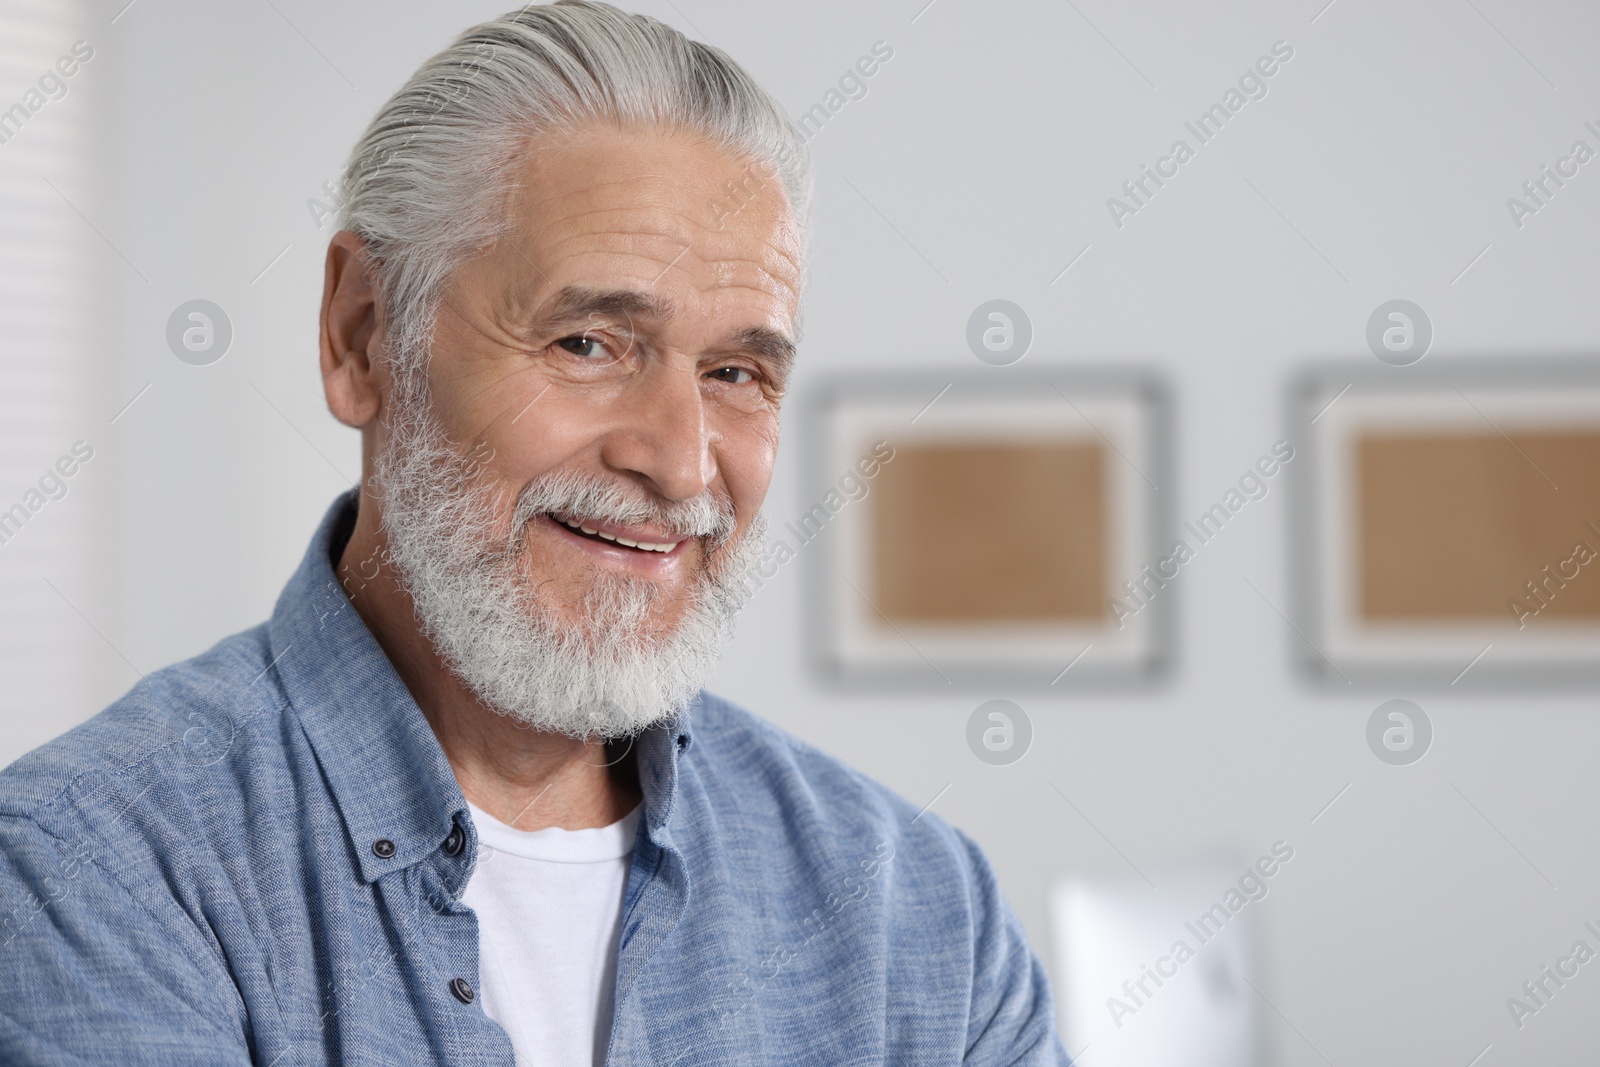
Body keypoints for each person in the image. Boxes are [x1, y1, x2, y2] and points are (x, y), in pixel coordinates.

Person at [0, 3, 1070, 1063]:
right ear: (364, 335)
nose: (682, 463)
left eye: (736, 373)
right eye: (589, 343)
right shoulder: (90, 869)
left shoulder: (925, 918)